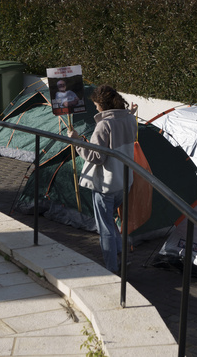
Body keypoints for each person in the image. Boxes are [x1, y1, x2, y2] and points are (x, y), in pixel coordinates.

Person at [67, 84, 137, 273]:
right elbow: (128, 121)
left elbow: (96, 156)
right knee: (110, 221)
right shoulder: (130, 119)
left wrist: (76, 141)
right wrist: (131, 112)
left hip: (106, 184)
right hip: (124, 181)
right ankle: (122, 258)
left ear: (102, 104)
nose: (95, 108)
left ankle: (111, 268)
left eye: (96, 104)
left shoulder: (104, 124)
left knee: (104, 226)